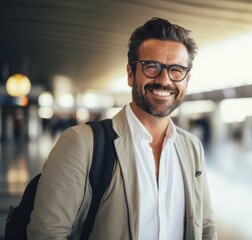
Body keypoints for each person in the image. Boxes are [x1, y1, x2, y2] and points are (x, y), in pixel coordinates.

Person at [28, 17, 217, 240]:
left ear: (187, 80)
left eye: (176, 70)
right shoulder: (81, 143)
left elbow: (205, 228)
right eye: (152, 67)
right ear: (130, 74)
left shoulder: (191, 147)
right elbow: (46, 234)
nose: (164, 79)